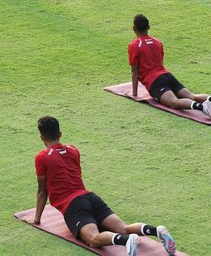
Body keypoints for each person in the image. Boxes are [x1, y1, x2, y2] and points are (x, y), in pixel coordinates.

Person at [25, 116, 177, 256]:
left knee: (93, 238)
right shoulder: (73, 150)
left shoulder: (42, 157)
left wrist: (37, 219)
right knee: (123, 227)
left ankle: (125, 241)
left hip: (73, 205)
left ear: (42, 137)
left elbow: (42, 191)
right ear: (60, 133)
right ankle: (156, 230)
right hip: (90, 197)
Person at [128, 14, 211, 116]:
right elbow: (160, 61)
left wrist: (134, 94)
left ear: (134, 28)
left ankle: (203, 107)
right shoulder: (158, 42)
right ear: (148, 27)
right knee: (191, 96)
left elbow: (134, 71)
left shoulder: (134, 46)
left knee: (174, 102)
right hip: (167, 75)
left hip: (154, 82)